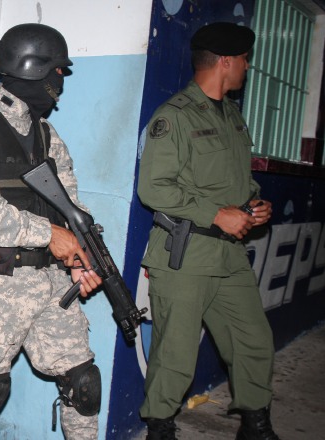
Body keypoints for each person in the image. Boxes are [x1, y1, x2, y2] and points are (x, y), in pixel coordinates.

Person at [0, 23, 103, 440]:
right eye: (58, 73)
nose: (60, 84)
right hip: (0, 283)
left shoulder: (48, 135)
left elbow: (71, 206)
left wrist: (82, 256)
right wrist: (50, 235)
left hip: (51, 281)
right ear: (33, 68)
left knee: (83, 384)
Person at [137, 22, 278, 440]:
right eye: (245, 61)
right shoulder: (173, 117)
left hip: (229, 256)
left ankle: (255, 425)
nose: (247, 69)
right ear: (226, 62)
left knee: (254, 341)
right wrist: (217, 214)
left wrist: (253, 203)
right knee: (175, 355)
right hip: (186, 254)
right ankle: (160, 428)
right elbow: (153, 188)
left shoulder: (232, 116)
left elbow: (236, 181)